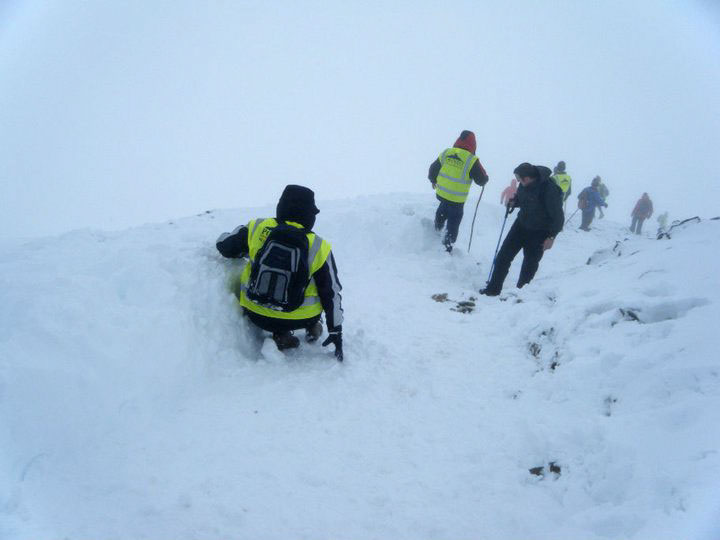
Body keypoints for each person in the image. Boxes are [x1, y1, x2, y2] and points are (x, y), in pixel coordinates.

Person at [216, 185, 344, 360]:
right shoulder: (319, 245)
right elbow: (331, 293)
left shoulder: (258, 227)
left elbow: (226, 247)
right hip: (301, 318)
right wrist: (336, 330)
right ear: (309, 215)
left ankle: (280, 334)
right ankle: (313, 326)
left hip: (256, 313)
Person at [481, 163, 564, 297]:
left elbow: (558, 217)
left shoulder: (549, 190)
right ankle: (492, 290)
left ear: (527, 178)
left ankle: (519, 295)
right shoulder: (524, 184)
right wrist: (514, 202)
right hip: (521, 225)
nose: (518, 181)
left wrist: (551, 237)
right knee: (503, 256)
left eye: (519, 179)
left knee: (529, 264)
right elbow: (522, 198)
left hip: (540, 231)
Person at [428, 130, 489, 252]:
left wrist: (433, 180)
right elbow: (481, 180)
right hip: (457, 200)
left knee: (442, 209)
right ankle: (447, 246)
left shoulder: (447, 152)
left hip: (442, 194)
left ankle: (436, 230)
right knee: (454, 222)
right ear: (473, 145)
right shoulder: (471, 160)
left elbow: (433, 168)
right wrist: (485, 179)